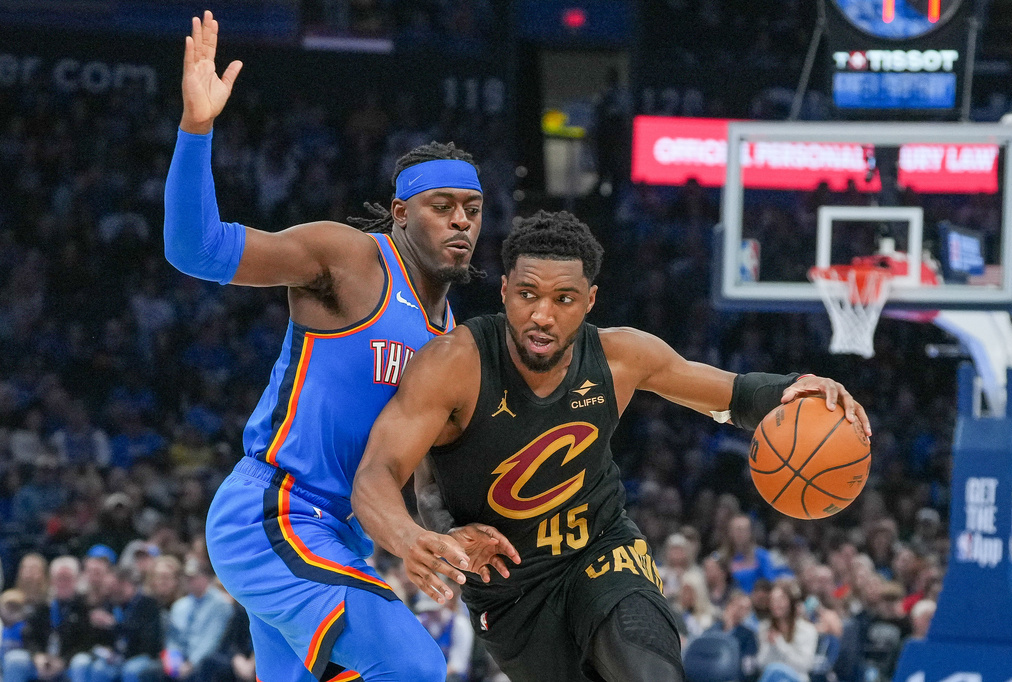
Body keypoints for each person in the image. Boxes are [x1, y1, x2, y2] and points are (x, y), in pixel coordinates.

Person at [352, 210, 871, 682]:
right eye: (528, 294)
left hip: (600, 550)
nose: (542, 316)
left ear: (590, 301)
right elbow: (376, 473)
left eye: (564, 299)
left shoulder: (619, 357)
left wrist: (796, 387)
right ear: (505, 290)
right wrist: (415, 538)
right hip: (511, 591)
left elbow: (731, 394)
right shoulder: (452, 364)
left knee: (647, 670)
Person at [167, 12, 510, 681]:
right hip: (276, 515)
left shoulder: (451, 337)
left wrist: (445, 530)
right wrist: (196, 128)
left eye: (472, 207)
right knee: (413, 665)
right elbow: (195, 249)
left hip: (341, 537)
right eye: (443, 205)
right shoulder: (350, 263)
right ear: (403, 211)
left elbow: (417, 472)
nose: (462, 219)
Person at [757, 584, 818, 682]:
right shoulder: (765, 627)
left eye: (781, 600)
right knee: (773, 671)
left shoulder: (807, 629)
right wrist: (770, 646)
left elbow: (805, 665)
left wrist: (780, 644)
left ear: (791, 601)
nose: (776, 604)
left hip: (797, 678)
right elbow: (761, 664)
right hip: (772, 678)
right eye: (773, 600)